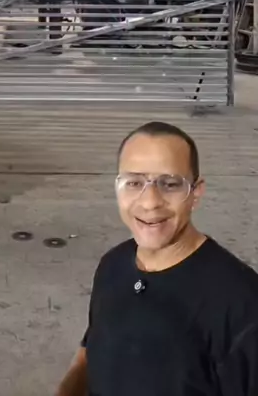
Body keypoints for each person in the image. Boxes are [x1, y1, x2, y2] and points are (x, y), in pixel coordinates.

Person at [55, 120, 258, 396]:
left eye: (170, 184)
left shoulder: (241, 302)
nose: (150, 202)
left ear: (196, 193)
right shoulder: (113, 265)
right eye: (134, 182)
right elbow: (89, 353)